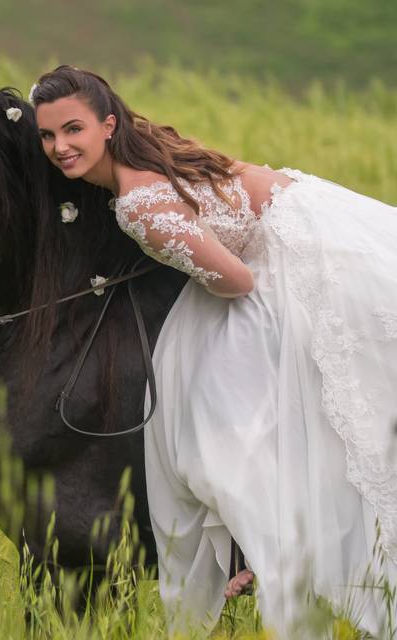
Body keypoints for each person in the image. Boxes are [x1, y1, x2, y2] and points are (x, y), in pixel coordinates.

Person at [31, 65, 397, 638]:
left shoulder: (136, 204)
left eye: (72, 129)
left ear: (107, 125)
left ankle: (265, 546)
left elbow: (236, 281)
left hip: (292, 254)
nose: (59, 147)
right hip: (310, 210)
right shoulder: (146, 150)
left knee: (209, 403)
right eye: (47, 136)